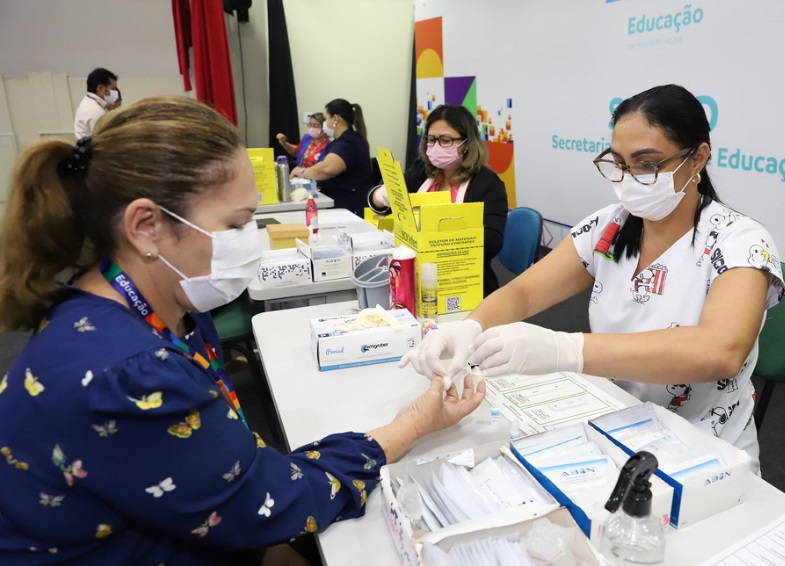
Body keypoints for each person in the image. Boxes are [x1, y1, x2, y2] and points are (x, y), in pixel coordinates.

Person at [0, 96, 485, 565]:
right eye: (237, 224)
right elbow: (268, 502)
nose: (248, 242)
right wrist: (412, 425)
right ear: (146, 226)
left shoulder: (162, 310)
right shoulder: (129, 371)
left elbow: (223, 480)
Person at [401, 85, 785, 472]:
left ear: (698, 158)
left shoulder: (740, 241)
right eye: (619, 163)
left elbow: (720, 352)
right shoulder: (611, 227)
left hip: (704, 450)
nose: (629, 178)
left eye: (647, 164)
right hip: (617, 423)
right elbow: (525, 291)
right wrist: (470, 327)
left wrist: (566, 350)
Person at [367, 104, 508, 296]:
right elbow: (387, 206)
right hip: (415, 274)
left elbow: (493, 242)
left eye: (446, 140)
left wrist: (441, 236)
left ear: (467, 143)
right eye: (431, 140)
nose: (436, 146)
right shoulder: (423, 171)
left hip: (463, 280)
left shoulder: (487, 183)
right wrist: (380, 196)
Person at [289, 99, 373, 216]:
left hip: (349, 208)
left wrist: (302, 172)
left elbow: (326, 169)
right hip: (340, 203)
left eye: (325, 119)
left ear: (335, 119)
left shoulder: (348, 143)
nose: (324, 124)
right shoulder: (341, 141)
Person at [73, 67, 119, 140]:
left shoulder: (88, 101)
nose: (115, 93)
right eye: (113, 89)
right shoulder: (95, 111)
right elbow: (106, 140)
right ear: (100, 88)